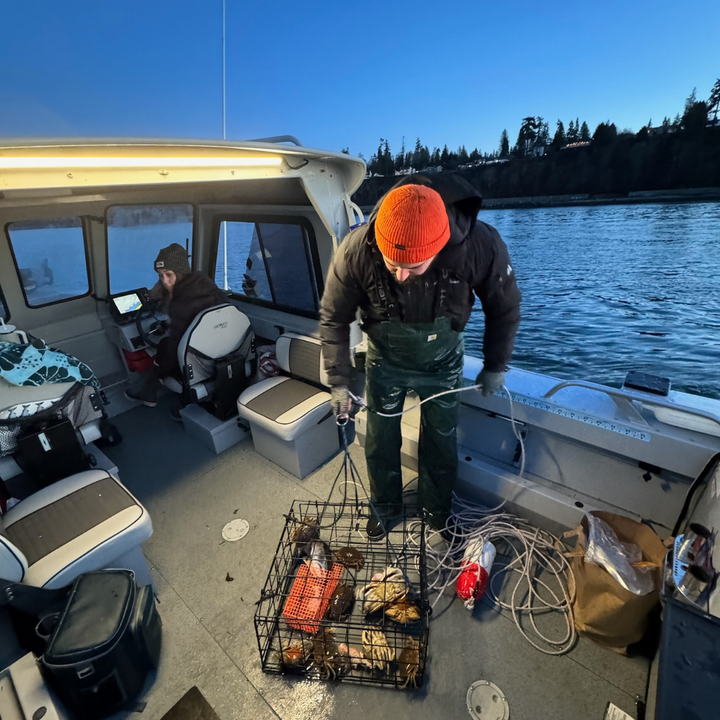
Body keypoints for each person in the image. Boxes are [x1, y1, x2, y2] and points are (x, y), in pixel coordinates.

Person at [320, 174, 521, 539]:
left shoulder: (480, 245)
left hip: (443, 362)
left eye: (412, 267)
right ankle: (385, 508)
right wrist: (338, 380)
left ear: (439, 245)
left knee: (441, 440)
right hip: (385, 359)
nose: (400, 274)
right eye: (392, 263)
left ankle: (436, 510)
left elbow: (504, 307)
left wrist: (495, 365)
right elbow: (333, 317)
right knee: (380, 438)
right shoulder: (355, 249)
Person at [124, 243, 226, 415]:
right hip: (221, 351)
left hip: (200, 361)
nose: (165, 281)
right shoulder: (209, 289)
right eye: (160, 276)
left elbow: (178, 346)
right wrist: (169, 326)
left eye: (169, 275)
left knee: (165, 346)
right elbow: (195, 325)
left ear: (181, 272)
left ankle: (148, 392)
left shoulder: (180, 304)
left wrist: (160, 372)